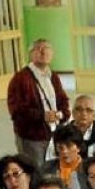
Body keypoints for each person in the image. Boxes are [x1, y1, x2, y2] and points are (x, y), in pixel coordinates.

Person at [7, 38, 70, 169]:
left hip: (54, 134)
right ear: (31, 54)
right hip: (33, 138)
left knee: (54, 171)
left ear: (52, 54)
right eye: (38, 49)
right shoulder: (21, 78)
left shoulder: (53, 76)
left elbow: (63, 100)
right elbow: (16, 111)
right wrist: (43, 116)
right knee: (35, 173)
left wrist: (61, 114)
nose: (43, 52)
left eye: (46, 49)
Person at [46, 124, 85, 189]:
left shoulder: (89, 169)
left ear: (79, 147)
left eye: (69, 146)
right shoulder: (46, 169)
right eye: (60, 147)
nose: (64, 151)